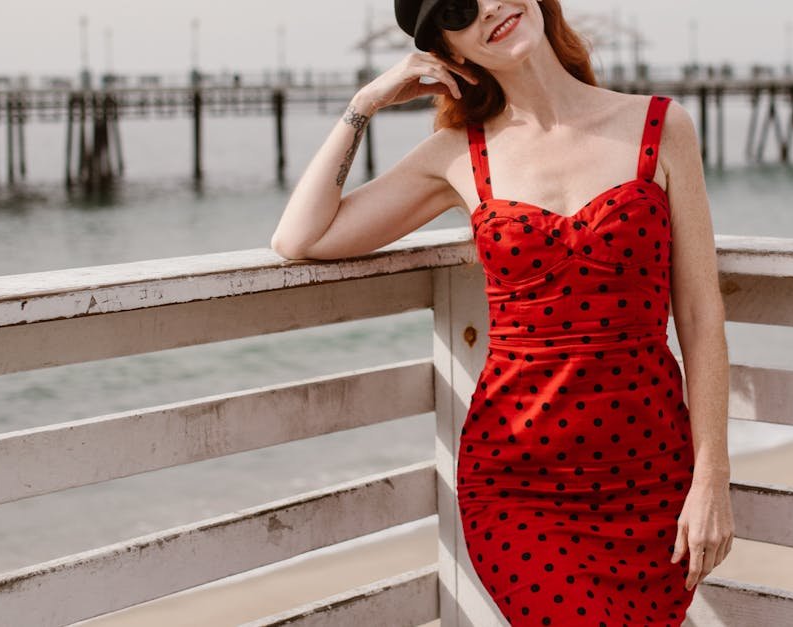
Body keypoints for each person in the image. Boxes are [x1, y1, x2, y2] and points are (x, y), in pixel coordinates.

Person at [270, 0, 734, 623]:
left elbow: (701, 317)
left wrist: (711, 480)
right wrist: (366, 104)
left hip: (651, 478)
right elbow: (301, 238)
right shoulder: (459, 153)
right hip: (520, 486)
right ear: (451, 51)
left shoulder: (659, 125)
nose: (488, 7)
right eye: (460, 10)